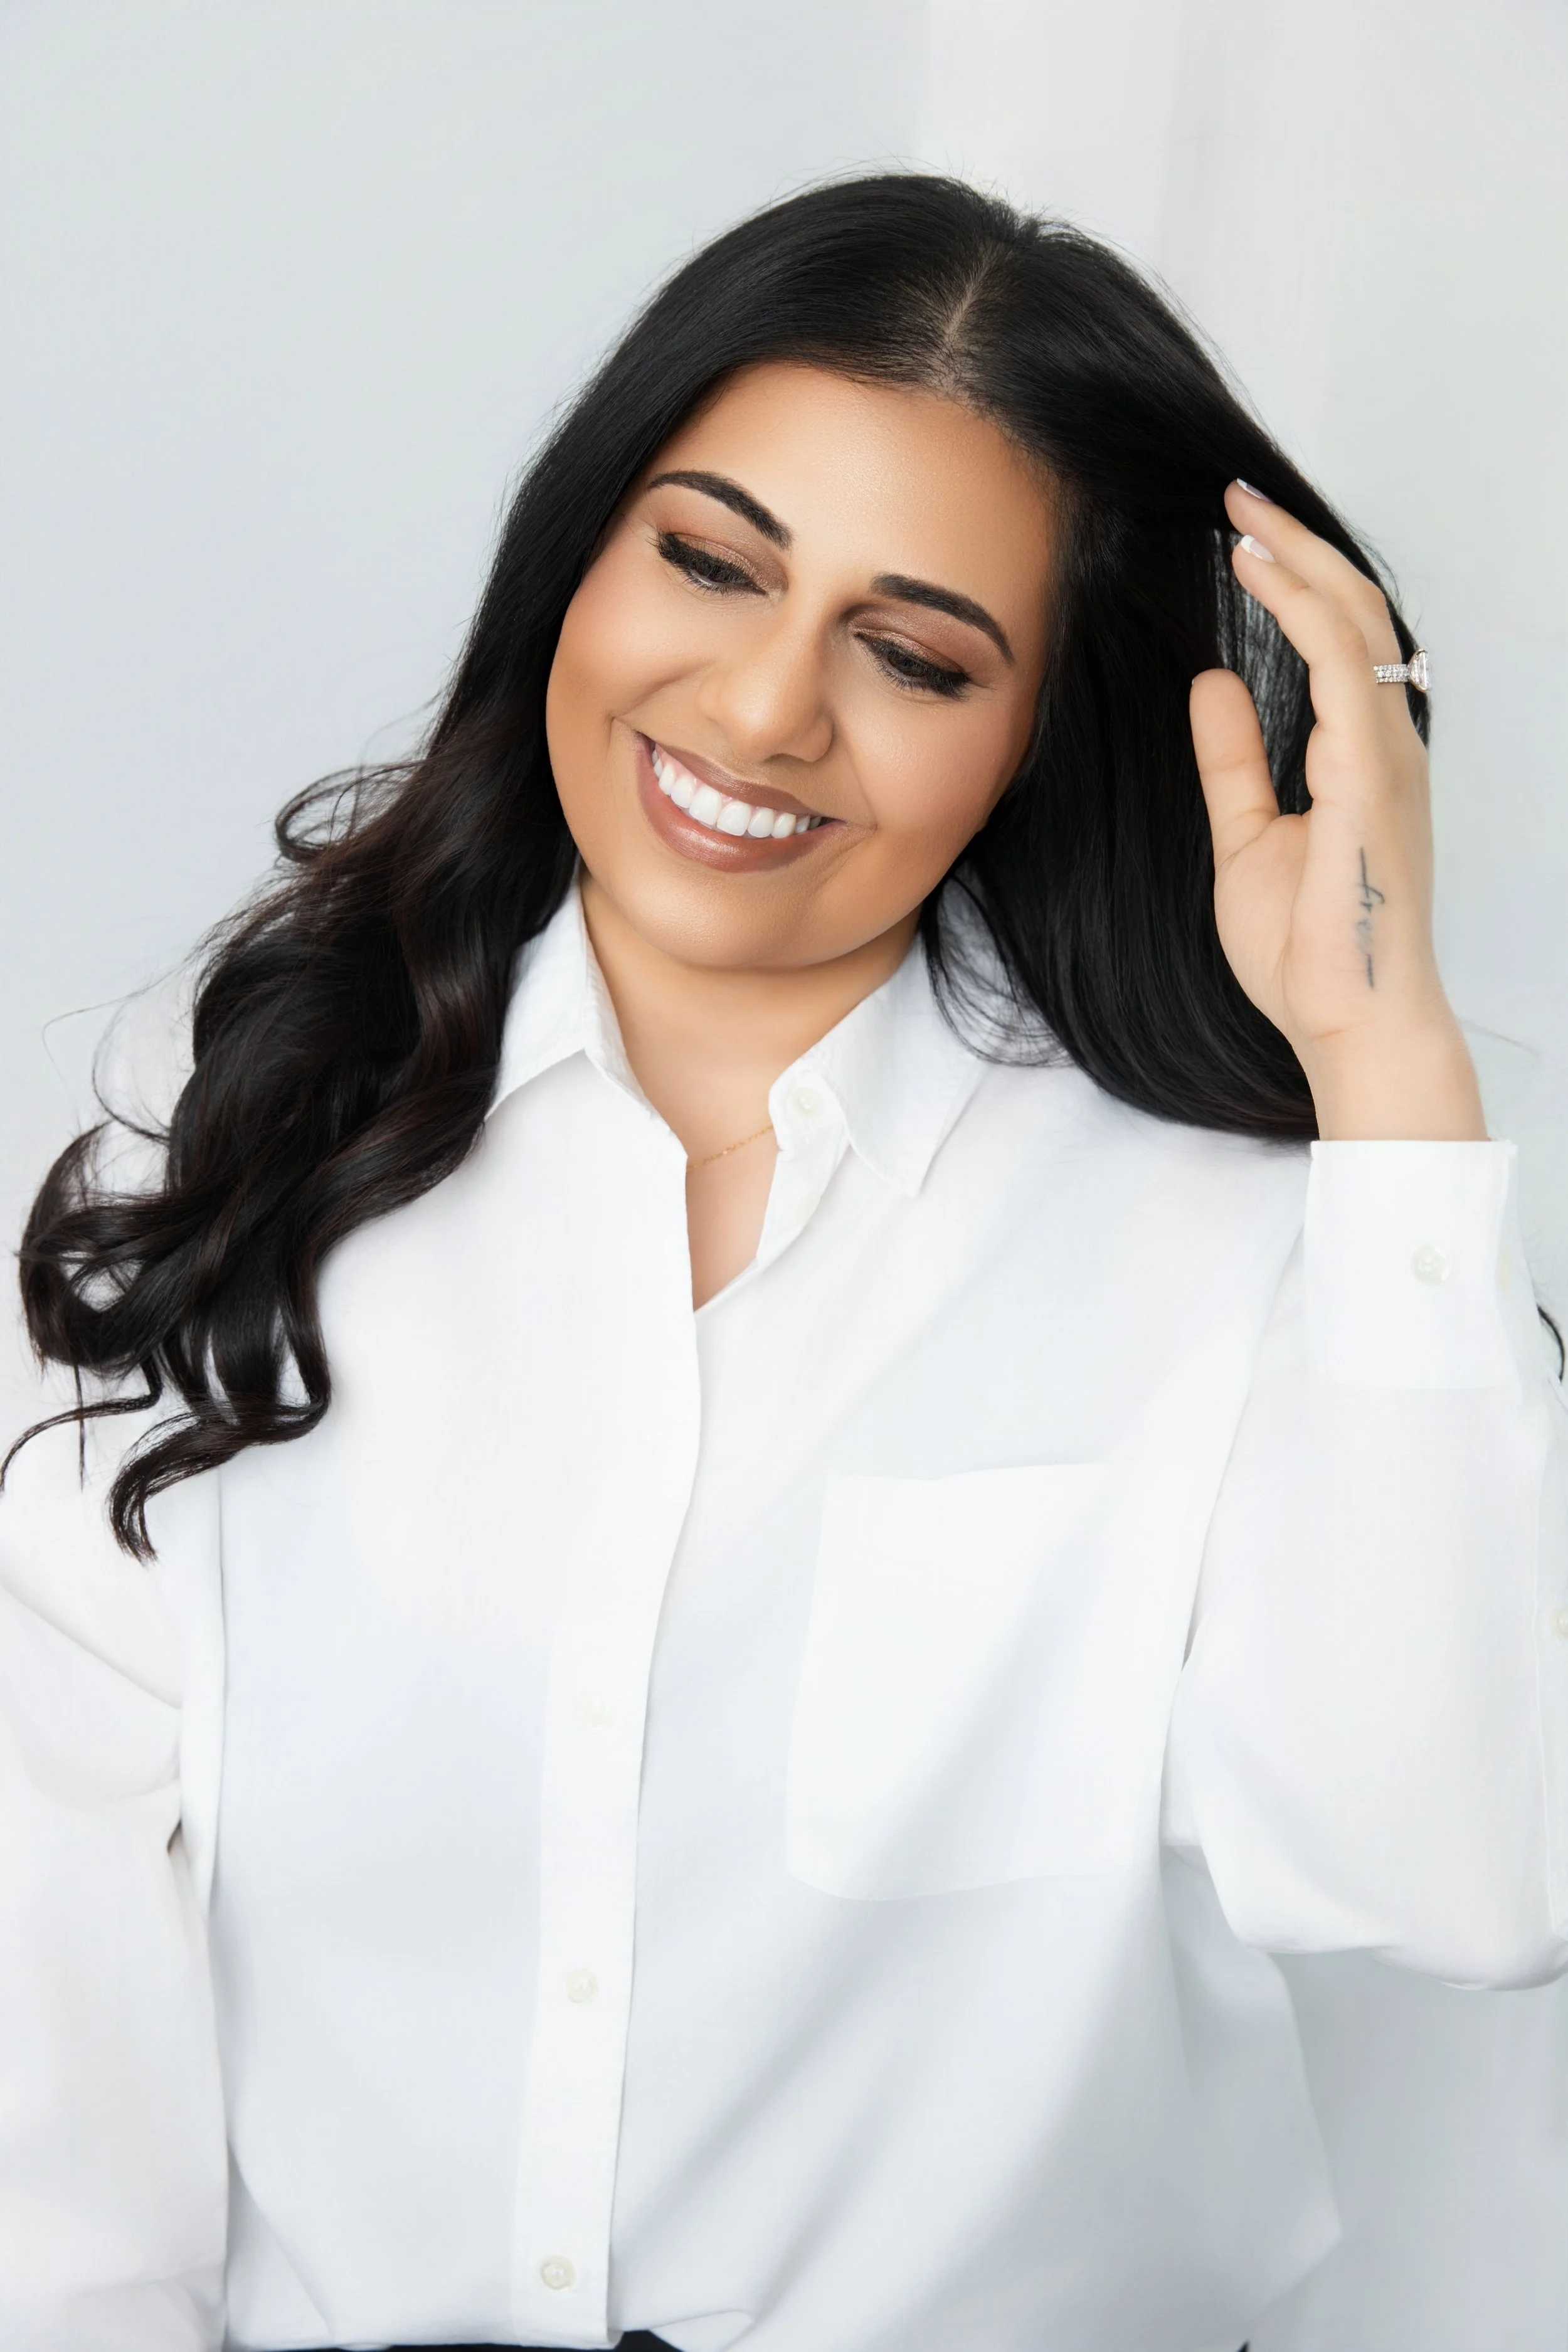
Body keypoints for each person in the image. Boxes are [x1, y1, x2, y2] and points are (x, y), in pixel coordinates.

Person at [2, 172, 1564, 2352]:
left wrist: (1383, 1062)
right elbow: (48, 2007)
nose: (754, 709)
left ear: (1038, 727)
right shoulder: (224, 1125)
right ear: (582, 548)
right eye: (708, 559)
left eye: (913, 651)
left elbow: (1457, 1888)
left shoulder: (1231, 1226)